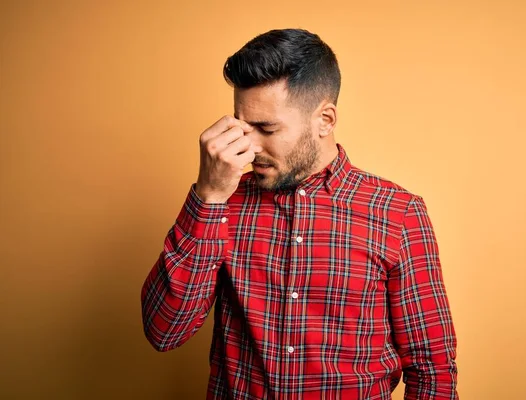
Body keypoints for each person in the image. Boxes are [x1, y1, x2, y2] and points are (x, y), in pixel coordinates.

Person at [141, 28, 458, 399]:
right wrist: (208, 196)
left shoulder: (397, 213)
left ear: (324, 119)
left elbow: (431, 368)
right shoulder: (221, 203)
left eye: (267, 128)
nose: (249, 145)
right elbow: (165, 331)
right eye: (243, 126)